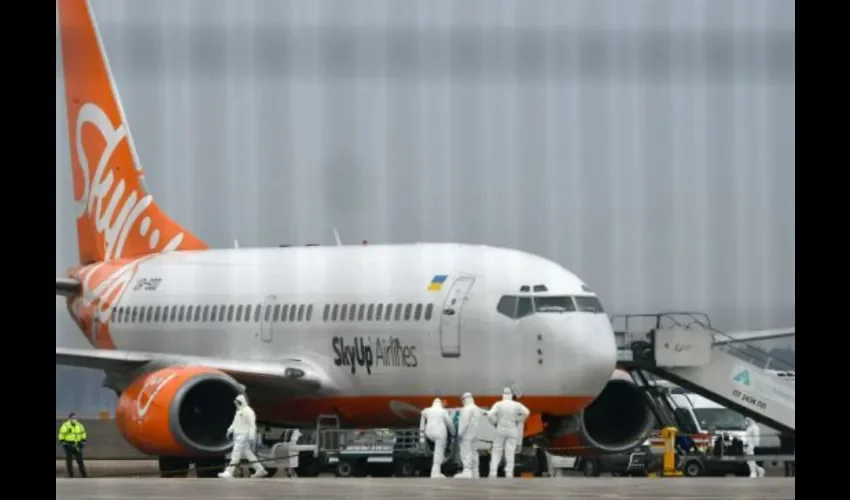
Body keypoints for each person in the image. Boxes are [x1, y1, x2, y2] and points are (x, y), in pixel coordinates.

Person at [218, 394, 268, 479]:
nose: (236, 405)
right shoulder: (239, 411)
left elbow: (252, 425)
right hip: (238, 435)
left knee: (236, 452)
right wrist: (229, 430)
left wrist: (251, 436)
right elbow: (235, 423)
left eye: (237, 403)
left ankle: (229, 472)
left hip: (244, 435)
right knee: (248, 453)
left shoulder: (248, 411)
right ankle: (260, 469)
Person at [488, 387, 530, 478]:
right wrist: (518, 420)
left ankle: (493, 471)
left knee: (496, 450)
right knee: (510, 451)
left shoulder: (498, 404)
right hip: (512, 429)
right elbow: (527, 412)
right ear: (511, 395)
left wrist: (494, 422)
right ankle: (509, 472)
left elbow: (490, 414)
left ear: (503, 395)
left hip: (501, 428)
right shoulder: (517, 404)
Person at [419, 398, 455, 478]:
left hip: (429, 434)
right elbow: (449, 424)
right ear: (440, 404)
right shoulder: (443, 411)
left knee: (435, 451)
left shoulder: (427, 410)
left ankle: (432, 450)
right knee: (439, 452)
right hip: (439, 434)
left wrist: (422, 433)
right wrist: (453, 433)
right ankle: (435, 473)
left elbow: (422, 413)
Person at [456, 392, 485, 478]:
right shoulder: (477, 408)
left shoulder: (467, 409)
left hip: (466, 435)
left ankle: (467, 472)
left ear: (465, 399)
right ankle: (476, 473)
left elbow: (465, 423)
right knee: (474, 453)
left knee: (466, 452)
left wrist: (460, 434)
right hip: (475, 434)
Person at [58, 412, 88, 478]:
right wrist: (63, 443)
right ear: (69, 418)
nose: (74, 419)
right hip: (69, 445)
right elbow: (61, 434)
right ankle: (70, 474)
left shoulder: (80, 425)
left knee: (80, 460)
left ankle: (84, 474)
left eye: (75, 418)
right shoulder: (65, 425)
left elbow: (83, 433)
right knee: (69, 461)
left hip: (77, 445)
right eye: (73, 418)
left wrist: (83, 442)